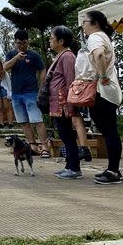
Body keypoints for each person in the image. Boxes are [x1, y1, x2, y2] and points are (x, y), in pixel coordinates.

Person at [82, 10, 123, 185]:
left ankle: (113, 171)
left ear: (95, 23)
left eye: (85, 22)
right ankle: (113, 169)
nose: (83, 25)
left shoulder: (95, 37)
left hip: (104, 90)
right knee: (110, 131)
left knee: (109, 131)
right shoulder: (104, 36)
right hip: (110, 90)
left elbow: (98, 54)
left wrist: (101, 75)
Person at [3, 29, 50, 157]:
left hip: (31, 92)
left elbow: (42, 69)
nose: (21, 45)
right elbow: (5, 67)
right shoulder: (11, 54)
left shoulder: (34, 55)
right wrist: (16, 57)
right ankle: (32, 146)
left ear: (28, 42)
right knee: (23, 121)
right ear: (15, 42)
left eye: (24, 43)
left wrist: (41, 87)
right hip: (16, 93)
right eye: (19, 43)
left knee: (37, 120)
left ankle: (45, 146)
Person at [47, 26, 82, 179]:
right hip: (57, 102)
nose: (50, 40)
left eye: (52, 38)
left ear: (61, 41)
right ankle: (69, 165)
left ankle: (74, 168)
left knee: (67, 134)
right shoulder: (60, 56)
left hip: (63, 102)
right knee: (63, 134)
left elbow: (70, 81)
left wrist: (70, 104)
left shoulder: (67, 56)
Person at [0, 59, 15, 129]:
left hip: (4, 90)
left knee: (7, 107)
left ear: (1, 65)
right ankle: (1, 123)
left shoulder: (5, 73)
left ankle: (10, 123)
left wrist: (10, 93)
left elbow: (9, 83)